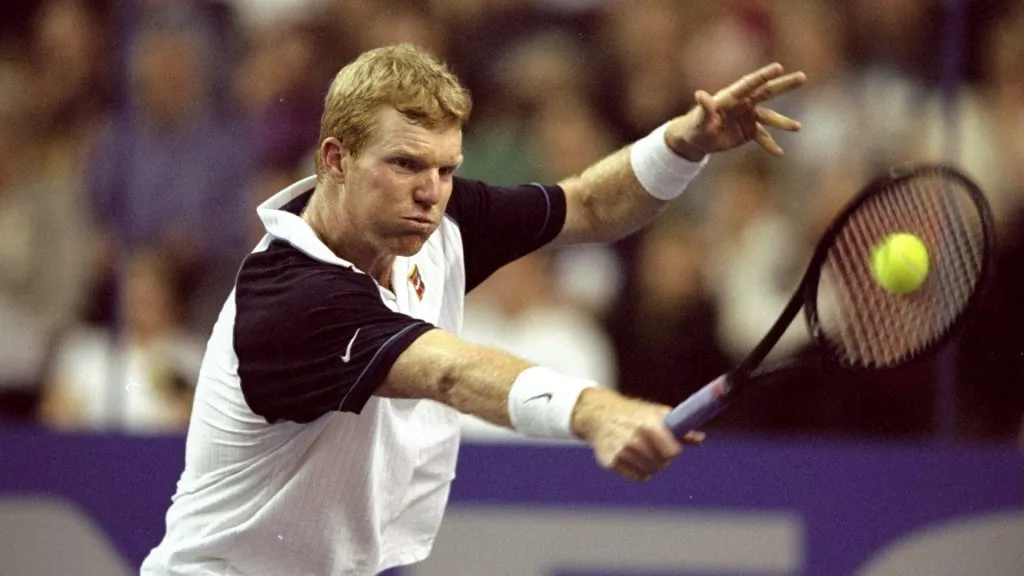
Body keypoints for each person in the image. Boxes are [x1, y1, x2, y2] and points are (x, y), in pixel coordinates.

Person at [141, 43, 805, 575]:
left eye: (446, 168)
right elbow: (448, 373)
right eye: (404, 164)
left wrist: (684, 143)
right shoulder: (292, 296)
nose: (431, 192)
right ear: (335, 160)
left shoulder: (436, 218)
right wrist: (597, 412)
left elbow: (589, 204)